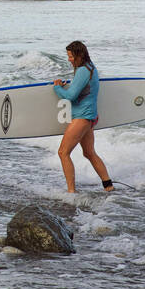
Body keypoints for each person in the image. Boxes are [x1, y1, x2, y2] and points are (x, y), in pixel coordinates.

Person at [51, 40, 113, 193]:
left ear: (79, 55)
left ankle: (71, 192)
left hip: (83, 117)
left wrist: (57, 88)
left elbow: (70, 96)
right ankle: (108, 186)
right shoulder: (91, 68)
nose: (69, 59)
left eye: (71, 56)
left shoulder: (83, 71)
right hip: (89, 115)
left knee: (63, 152)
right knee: (89, 153)